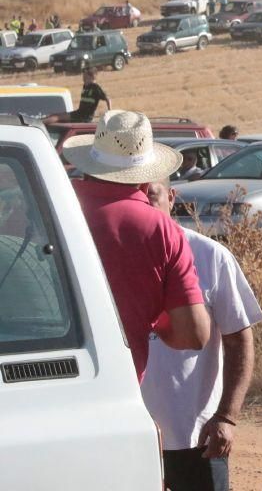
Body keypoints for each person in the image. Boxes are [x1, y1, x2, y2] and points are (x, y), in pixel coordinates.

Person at [63, 111, 211, 380]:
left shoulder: (45, 203)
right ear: (145, 177)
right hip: (115, 385)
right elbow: (194, 334)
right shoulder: (160, 229)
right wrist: (150, 317)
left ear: (87, 165)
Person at [143, 178, 262, 491]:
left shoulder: (210, 255)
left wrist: (226, 417)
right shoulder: (102, 257)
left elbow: (239, 337)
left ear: (171, 198)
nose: (143, 205)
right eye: (134, 197)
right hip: (130, 434)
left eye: (151, 195)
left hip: (195, 435)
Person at [44, 67, 111, 124]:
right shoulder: (85, 86)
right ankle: (40, 122)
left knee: (57, 117)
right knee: (55, 115)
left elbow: (108, 99)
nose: (83, 77)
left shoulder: (96, 87)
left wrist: (109, 112)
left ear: (91, 76)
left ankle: (41, 125)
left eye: (85, 75)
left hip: (84, 117)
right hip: (79, 113)